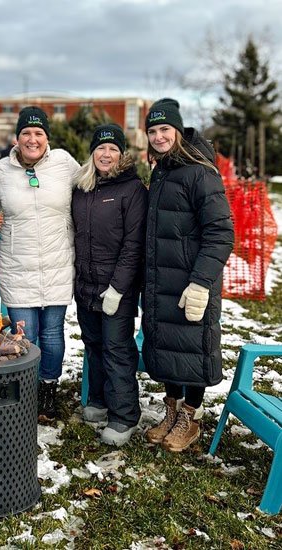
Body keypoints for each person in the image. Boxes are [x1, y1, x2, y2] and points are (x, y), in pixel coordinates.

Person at [143, 98, 234, 451]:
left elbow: (221, 233)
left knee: (192, 349)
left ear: (178, 131)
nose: (158, 136)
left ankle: (190, 417)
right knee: (168, 347)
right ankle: (171, 410)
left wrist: (200, 282)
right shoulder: (163, 169)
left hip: (192, 281)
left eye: (165, 129)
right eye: (152, 131)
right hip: (162, 280)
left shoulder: (201, 172)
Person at [0, 106, 79, 421]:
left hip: (58, 263)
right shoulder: (1, 171)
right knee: (24, 335)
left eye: (39, 133)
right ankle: (24, 389)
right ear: (17, 138)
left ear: (47, 138)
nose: (32, 139)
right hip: (18, 267)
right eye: (26, 133)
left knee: (54, 334)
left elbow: (92, 184)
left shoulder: (64, 164)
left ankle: (48, 389)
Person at [72, 124, 148, 446]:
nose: (106, 154)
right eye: (101, 149)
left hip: (117, 287)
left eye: (113, 149)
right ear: (92, 153)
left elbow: (134, 245)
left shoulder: (132, 191)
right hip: (86, 284)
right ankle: (99, 401)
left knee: (117, 349)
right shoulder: (82, 187)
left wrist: (117, 288)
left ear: (122, 155)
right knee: (94, 345)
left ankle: (124, 415)